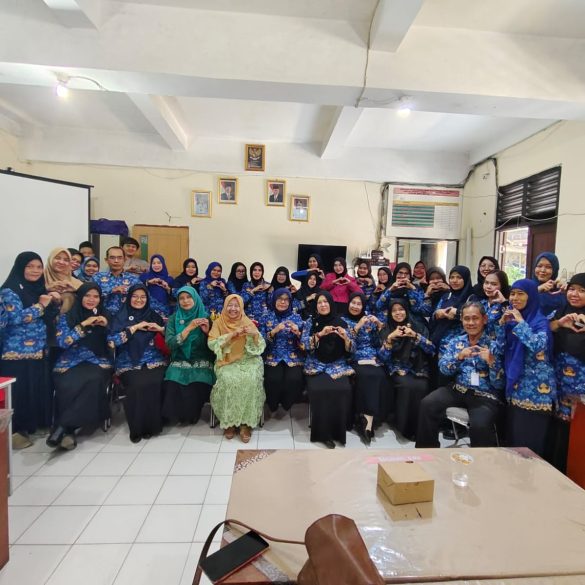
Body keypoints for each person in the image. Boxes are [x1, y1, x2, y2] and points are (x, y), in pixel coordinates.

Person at [416, 301, 504, 448]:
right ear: (461, 320)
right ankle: (428, 452)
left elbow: (499, 384)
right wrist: (459, 357)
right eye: (466, 319)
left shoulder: (494, 345)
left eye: (475, 318)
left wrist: (492, 362)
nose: (471, 323)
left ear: (484, 319)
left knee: (480, 425)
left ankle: (482, 461)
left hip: (485, 395)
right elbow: (444, 369)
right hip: (458, 389)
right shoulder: (456, 342)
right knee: (427, 404)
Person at [0, 252, 60, 449]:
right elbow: (15, 318)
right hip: (15, 352)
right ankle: (16, 432)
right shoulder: (9, 290)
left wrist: (54, 301)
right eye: (30, 266)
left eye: (38, 267)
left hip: (38, 349)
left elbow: (48, 316)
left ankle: (32, 426)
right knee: (19, 392)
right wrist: (41, 305)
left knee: (34, 389)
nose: (35, 271)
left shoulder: (39, 289)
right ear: (20, 268)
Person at [48, 283, 113, 450]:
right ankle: (68, 431)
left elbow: (115, 340)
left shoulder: (106, 315)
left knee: (93, 380)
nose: (92, 299)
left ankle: (63, 428)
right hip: (70, 360)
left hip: (96, 360)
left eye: (96, 296)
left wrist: (107, 325)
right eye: (87, 295)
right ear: (80, 297)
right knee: (67, 384)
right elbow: (62, 342)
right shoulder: (67, 317)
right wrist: (83, 324)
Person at [497, 279, 556, 457]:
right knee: (514, 441)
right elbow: (499, 349)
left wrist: (521, 322)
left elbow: (538, 346)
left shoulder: (540, 321)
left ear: (531, 297)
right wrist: (501, 325)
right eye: (512, 293)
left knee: (530, 444)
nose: (515, 298)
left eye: (520, 294)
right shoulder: (510, 319)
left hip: (536, 391)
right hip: (515, 386)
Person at [108, 284, 167, 442]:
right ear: (128, 298)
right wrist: (134, 328)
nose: (139, 300)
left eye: (143, 297)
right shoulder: (120, 316)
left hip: (153, 359)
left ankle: (152, 426)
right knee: (137, 384)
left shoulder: (153, 315)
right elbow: (112, 341)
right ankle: (137, 428)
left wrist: (160, 329)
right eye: (135, 296)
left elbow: (169, 336)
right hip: (128, 361)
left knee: (155, 382)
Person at [208, 294, 266, 443]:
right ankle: (229, 421)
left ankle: (246, 424)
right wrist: (231, 335)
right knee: (228, 380)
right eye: (230, 305)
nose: (233, 309)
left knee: (251, 379)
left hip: (248, 359)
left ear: (241, 308)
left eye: (236, 306)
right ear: (225, 306)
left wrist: (254, 335)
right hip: (226, 361)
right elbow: (212, 344)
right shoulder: (218, 322)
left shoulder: (247, 322)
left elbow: (259, 347)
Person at [300, 291, 354, 448]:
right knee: (320, 390)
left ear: (331, 303)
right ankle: (323, 434)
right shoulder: (310, 322)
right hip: (315, 364)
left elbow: (353, 348)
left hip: (338, 364)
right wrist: (319, 335)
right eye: (319, 302)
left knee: (342, 388)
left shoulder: (343, 322)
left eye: (326, 302)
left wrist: (345, 338)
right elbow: (303, 345)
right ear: (316, 306)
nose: (323, 305)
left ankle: (338, 432)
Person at [378, 298, 435, 442]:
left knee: (421, 386)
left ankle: (418, 427)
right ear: (390, 313)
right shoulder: (386, 329)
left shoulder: (418, 326)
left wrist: (415, 335)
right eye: (394, 311)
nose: (398, 313)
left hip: (418, 367)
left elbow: (431, 350)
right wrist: (390, 339)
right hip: (397, 367)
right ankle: (404, 427)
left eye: (401, 309)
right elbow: (382, 358)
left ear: (407, 310)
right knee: (407, 385)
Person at [163, 286, 215, 425]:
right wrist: (188, 328)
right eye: (181, 298)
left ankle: (191, 416)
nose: (185, 301)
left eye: (189, 297)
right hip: (180, 358)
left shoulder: (206, 318)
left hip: (202, 359)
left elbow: (216, 345)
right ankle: (176, 416)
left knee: (197, 381)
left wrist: (207, 332)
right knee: (173, 382)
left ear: (196, 298)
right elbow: (170, 344)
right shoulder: (173, 319)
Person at [549, 273, 585, 471]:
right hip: (558, 381)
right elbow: (546, 328)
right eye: (572, 289)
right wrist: (560, 323)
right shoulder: (562, 311)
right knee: (557, 430)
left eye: (582, 291)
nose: (575, 294)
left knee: (576, 434)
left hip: (580, 390)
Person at [342, 292, 386, 445]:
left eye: (359, 304)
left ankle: (368, 419)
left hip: (372, 358)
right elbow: (347, 346)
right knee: (366, 375)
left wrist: (379, 325)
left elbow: (378, 342)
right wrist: (357, 326)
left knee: (380, 375)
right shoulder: (343, 320)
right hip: (354, 357)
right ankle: (366, 422)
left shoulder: (369, 320)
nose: (355, 306)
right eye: (353, 303)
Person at [261, 288, 305, 414]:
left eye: (286, 300)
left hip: (293, 356)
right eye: (280, 299)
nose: (283, 302)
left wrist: (298, 333)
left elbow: (305, 343)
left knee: (294, 379)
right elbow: (260, 342)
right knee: (273, 379)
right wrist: (273, 331)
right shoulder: (266, 317)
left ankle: (287, 404)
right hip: (272, 355)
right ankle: (273, 405)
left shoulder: (296, 318)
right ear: (274, 300)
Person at [428, 265, 473, 353]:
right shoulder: (446, 296)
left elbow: (475, 318)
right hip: (439, 344)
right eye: (452, 277)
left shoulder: (471, 298)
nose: (455, 280)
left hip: (460, 346)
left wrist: (457, 313)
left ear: (466, 279)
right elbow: (433, 317)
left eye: (459, 277)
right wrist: (437, 314)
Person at [92, 246, 141, 315]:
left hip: (126, 317)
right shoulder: (97, 277)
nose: (116, 261)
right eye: (112, 258)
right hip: (101, 316)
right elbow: (90, 297)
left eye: (120, 258)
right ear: (106, 260)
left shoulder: (133, 279)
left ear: (125, 260)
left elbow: (142, 297)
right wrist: (111, 290)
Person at [44, 247, 82, 313]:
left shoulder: (75, 282)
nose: (61, 262)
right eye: (57, 258)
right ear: (51, 259)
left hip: (70, 318)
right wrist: (47, 289)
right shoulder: (39, 276)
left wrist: (75, 290)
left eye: (66, 260)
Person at [532, 252, 566, 318]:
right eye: (539, 266)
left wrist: (567, 291)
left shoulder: (559, 290)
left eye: (548, 267)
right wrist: (537, 289)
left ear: (555, 270)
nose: (543, 270)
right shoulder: (525, 286)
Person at [475, 270, 510, 336]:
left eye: (494, 284)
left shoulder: (507, 304)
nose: (488, 287)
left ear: (502, 286)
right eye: (486, 283)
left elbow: (510, 322)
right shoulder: (481, 303)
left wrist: (504, 302)